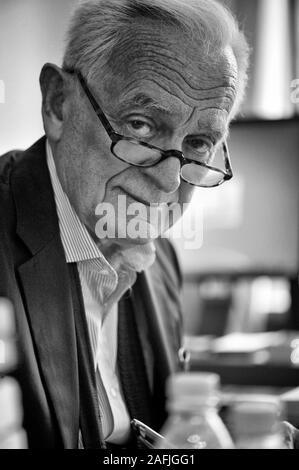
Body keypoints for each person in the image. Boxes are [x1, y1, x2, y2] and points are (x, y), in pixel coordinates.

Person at [0, 0, 249, 449]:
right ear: (58, 103)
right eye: (141, 126)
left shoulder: (161, 256)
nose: (170, 179)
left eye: (198, 143)